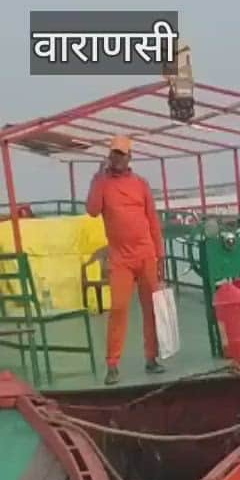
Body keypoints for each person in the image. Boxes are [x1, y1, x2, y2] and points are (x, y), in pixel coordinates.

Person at [86, 135, 167, 385]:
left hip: (145, 255)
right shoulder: (102, 183)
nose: (117, 158)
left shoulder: (141, 184)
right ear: (109, 155)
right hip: (120, 259)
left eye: (122, 154)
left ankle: (151, 358)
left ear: (130, 157)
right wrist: (96, 178)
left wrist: (160, 255)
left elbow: (153, 221)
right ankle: (112, 364)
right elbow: (92, 210)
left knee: (150, 309)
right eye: (114, 153)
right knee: (118, 309)